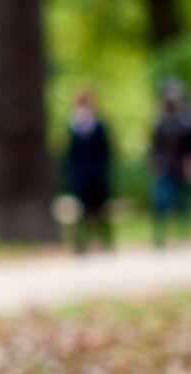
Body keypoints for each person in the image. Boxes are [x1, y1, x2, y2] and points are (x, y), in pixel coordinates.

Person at [150, 81, 191, 248]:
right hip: (165, 168)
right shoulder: (160, 122)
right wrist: (156, 161)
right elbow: (155, 146)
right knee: (162, 202)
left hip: (181, 168)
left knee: (183, 203)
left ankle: (184, 236)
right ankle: (160, 236)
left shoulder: (186, 121)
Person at [66, 89, 114, 254]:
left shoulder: (99, 125)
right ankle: (83, 242)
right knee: (83, 209)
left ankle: (105, 240)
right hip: (81, 174)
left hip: (98, 173)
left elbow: (106, 150)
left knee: (101, 209)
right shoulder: (74, 126)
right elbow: (71, 154)